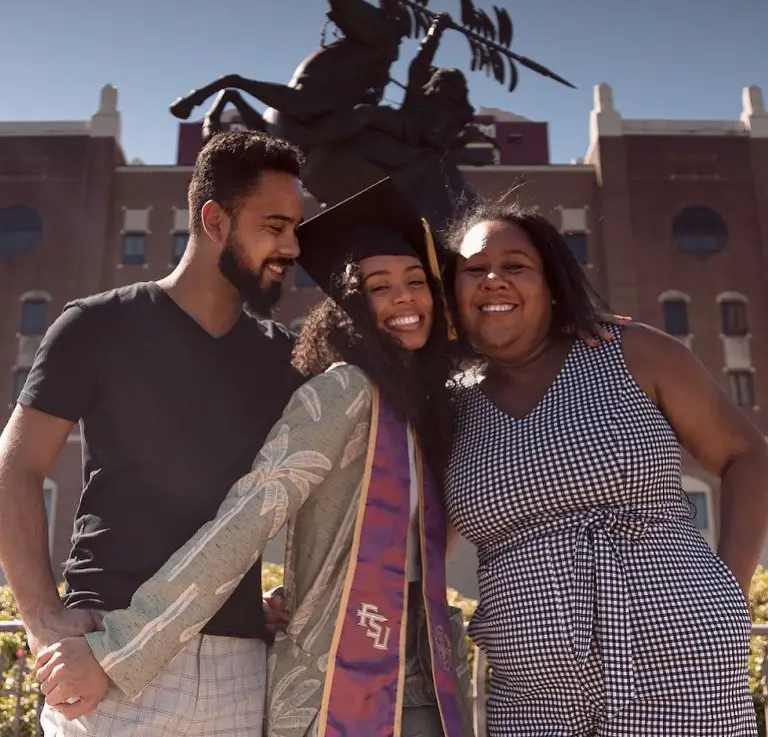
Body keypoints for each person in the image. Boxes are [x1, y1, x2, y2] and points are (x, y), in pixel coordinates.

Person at [35, 178, 475, 736]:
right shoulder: (341, 392)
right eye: (377, 287)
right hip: (344, 676)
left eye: (416, 281)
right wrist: (123, 649)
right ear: (348, 306)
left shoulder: (437, 410)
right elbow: (244, 521)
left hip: (430, 669)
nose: (404, 297)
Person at [0, 130, 307, 736]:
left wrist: (289, 596)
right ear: (214, 220)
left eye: (296, 228)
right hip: (106, 655)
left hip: (240, 667)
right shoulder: (97, 324)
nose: (292, 246)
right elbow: (16, 468)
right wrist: (41, 620)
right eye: (275, 226)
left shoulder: (284, 358)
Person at [443, 199, 768, 736]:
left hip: (679, 661)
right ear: (453, 292)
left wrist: (728, 594)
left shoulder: (631, 351)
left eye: (516, 266)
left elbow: (747, 454)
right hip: (530, 693)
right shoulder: (451, 408)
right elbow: (418, 539)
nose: (493, 280)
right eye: (474, 269)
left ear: (551, 282)